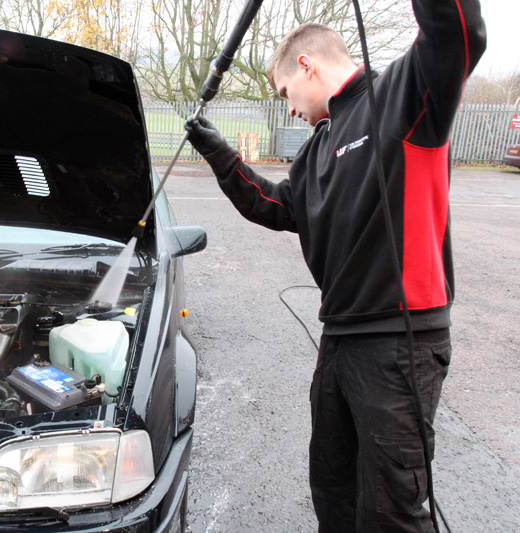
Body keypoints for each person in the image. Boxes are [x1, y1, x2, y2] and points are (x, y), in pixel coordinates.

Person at [185, 1, 486, 531]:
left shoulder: (405, 95)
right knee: (333, 493)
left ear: (307, 65)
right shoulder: (315, 151)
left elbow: (456, 30)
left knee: (389, 511)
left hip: (398, 345)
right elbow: (275, 206)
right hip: (339, 341)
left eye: (284, 94)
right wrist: (221, 157)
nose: (290, 109)